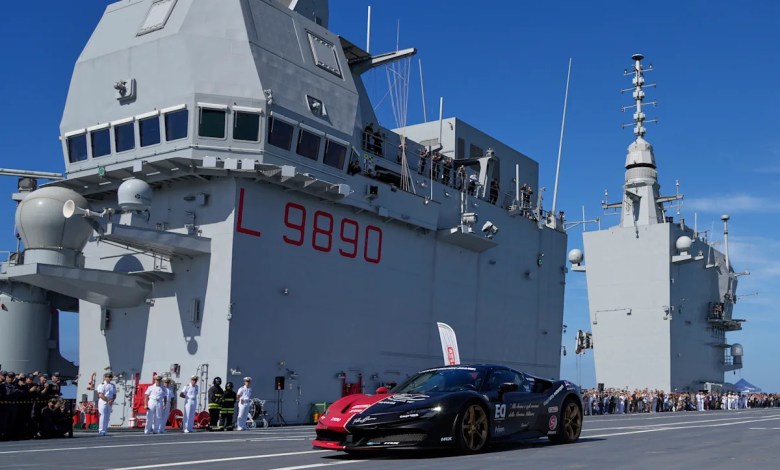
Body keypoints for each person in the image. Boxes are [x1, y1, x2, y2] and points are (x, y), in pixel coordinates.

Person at [96, 372, 116, 436]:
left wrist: (112, 400)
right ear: (105, 377)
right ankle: (101, 431)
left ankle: (105, 430)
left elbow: (114, 394)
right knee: (102, 416)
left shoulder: (113, 385)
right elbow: (100, 395)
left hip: (110, 401)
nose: (110, 378)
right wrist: (107, 401)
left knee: (107, 417)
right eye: (109, 377)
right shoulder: (101, 385)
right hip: (103, 401)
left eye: (111, 377)